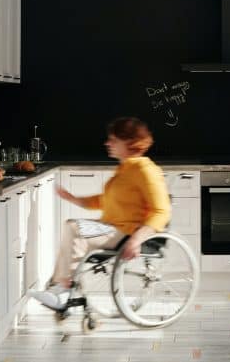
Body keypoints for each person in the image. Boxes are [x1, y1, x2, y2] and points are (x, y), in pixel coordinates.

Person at [29, 117, 171, 311]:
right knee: (73, 228)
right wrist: (72, 198)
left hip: (125, 232)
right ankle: (65, 288)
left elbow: (161, 210)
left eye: (113, 139)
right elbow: (105, 200)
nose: (107, 143)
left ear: (130, 142)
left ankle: (62, 290)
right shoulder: (126, 169)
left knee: (74, 228)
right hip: (112, 228)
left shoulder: (145, 170)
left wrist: (136, 240)